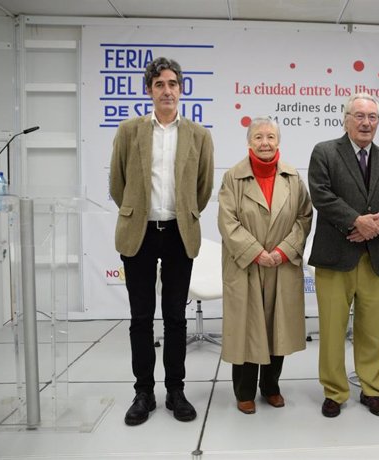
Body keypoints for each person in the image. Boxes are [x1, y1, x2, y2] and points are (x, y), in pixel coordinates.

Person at [109, 57, 214, 426]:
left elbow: (203, 189)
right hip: (138, 233)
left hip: (177, 234)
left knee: (175, 317)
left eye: (172, 84)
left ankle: (175, 390)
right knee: (141, 318)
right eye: (159, 85)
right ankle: (143, 393)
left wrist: (183, 214)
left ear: (181, 89)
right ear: (149, 90)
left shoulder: (199, 135)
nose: (166, 90)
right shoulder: (129, 131)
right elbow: (116, 184)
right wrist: (136, 211)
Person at [307, 93, 379, 418]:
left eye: (372, 118)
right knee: (333, 330)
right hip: (335, 257)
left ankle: (372, 389)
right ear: (346, 118)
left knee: (374, 332)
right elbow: (321, 195)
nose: (366, 123)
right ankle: (335, 392)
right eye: (359, 116)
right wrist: (357, 221)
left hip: (375, 258)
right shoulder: (325, 152)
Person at [218, 117, 312, 414]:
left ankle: (271, 386)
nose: (265, 143)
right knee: (247, 328)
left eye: (271, 137)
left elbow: (304, 217)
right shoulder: (233, 177)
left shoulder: (293, 177)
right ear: (249, 142)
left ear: (278, 142)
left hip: (281, 265)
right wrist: (257, 252)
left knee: (278, 326)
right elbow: (227, 221)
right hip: (245, 264)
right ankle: (244, 391)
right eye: (258, 137)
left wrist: (283, 251)